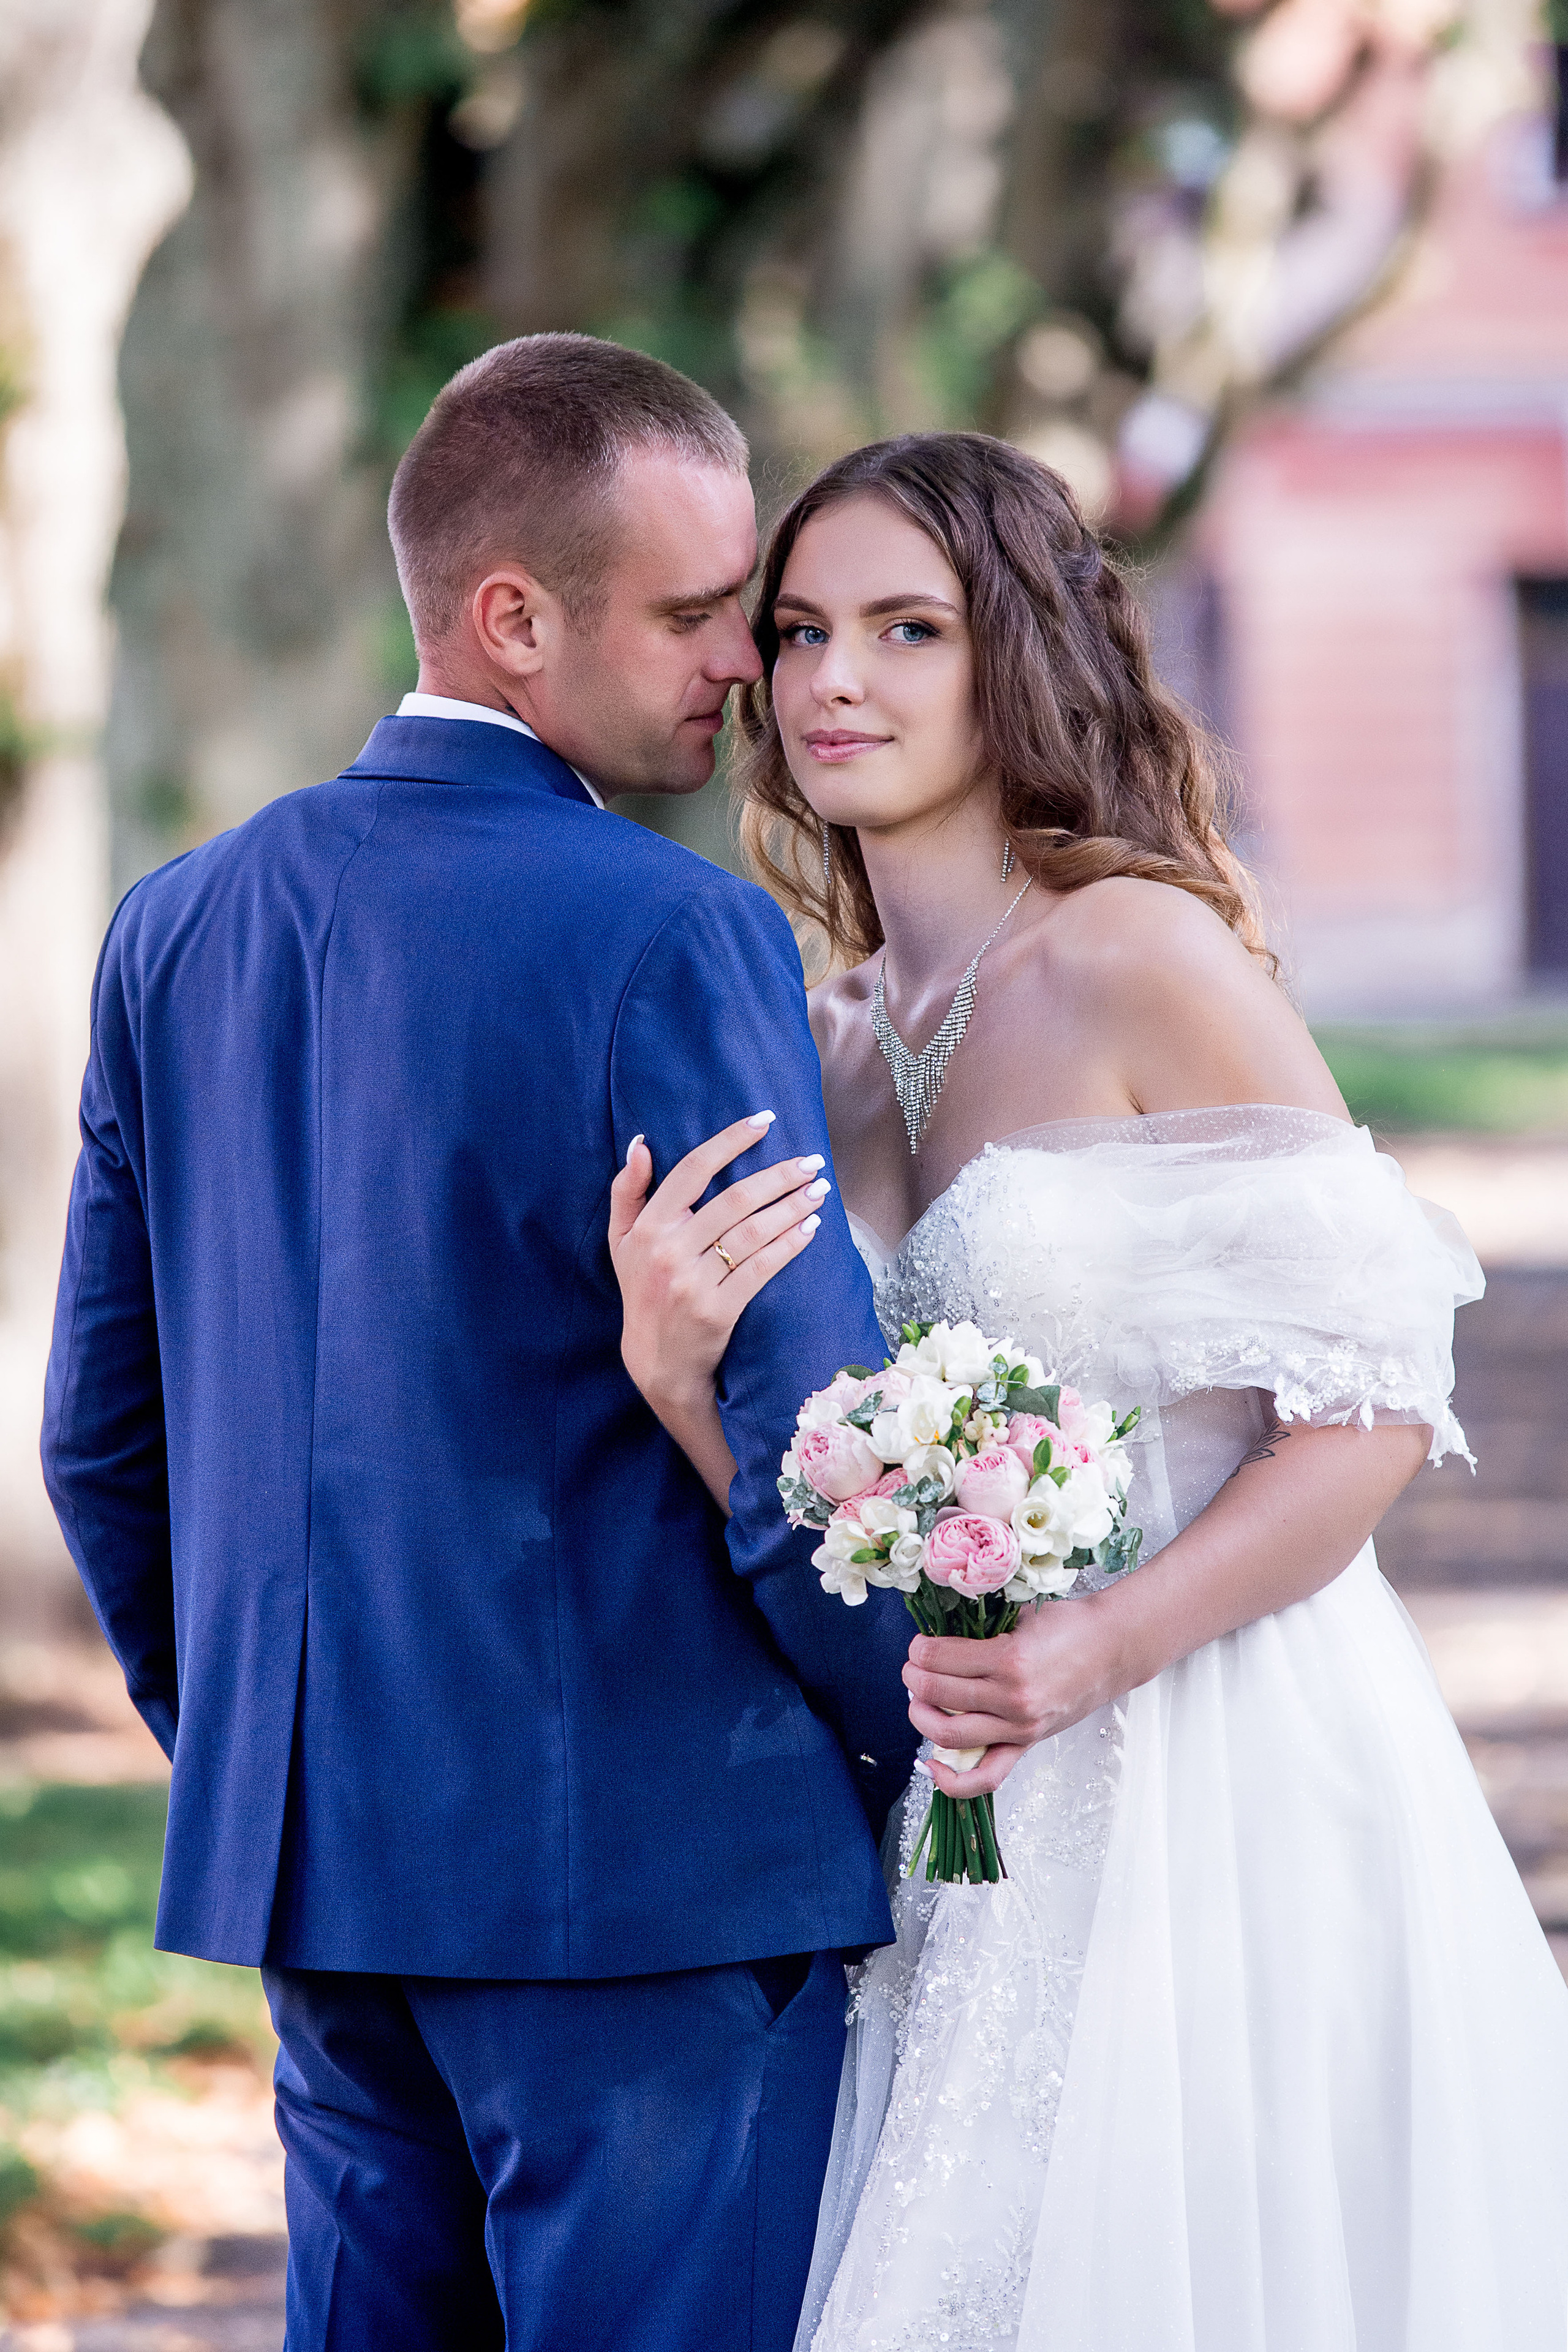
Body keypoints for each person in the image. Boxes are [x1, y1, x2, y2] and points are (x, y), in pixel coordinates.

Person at [611, 431, 1568, 2348]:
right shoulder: (829, 1036)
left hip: (1229, 1754)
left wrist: (1099, 1647)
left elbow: (1371, 1409)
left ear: (1018, 654)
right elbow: (837, 1490)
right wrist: (678, 1374)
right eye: (797, 633)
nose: (832, 683)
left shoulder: (1142, 952)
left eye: (905, 629)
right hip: (976, 1802)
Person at [39, 334, 924, 2352]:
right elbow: (817, 1435)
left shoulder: (175, 925)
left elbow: (103, 1439)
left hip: (319, 1872)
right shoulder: (668, 928)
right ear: (514, 616)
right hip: (657, 1878)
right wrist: (909, 1757)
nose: (748, 668)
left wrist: (262, 1751)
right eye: (701, 614)